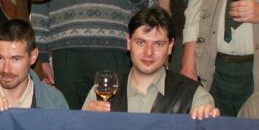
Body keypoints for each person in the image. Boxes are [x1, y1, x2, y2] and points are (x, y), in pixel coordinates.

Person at [82, 8, 218, 118]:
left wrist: (208, 120)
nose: (148, 52)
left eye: (158, 44)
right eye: (140, 42)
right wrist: (86, 123)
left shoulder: (195, 97)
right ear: (129, 42)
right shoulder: (101, 91)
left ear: (170, 46)